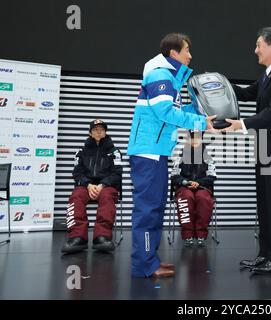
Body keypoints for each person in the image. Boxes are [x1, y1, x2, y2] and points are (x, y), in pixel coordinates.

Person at [127, 33, 216, 278]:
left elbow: (174, 109)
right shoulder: (159, 75)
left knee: (154, 208)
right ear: (174, 53)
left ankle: (149, 261)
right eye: (187, 50)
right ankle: (143, 264)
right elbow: (165, 112)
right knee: (148, 210)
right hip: (148, 153)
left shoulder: (168, 79)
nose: (190, 55)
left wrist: (200, 109)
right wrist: (199, 122)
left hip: (155, 153)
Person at [223, 27, 271, 274]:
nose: (255, 50)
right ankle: (264, 253)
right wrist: (219, 82)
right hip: (266, 149)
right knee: (264, 206)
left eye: (259, 45)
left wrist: (241, 124)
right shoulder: (267, 75)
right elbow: (245, 94)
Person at [61, 119, 123, 254]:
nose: (99, 132)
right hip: (86, 185)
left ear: (106, 132)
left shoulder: (115, 151)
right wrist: (88, 185)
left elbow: (117, 173)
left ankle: (102, 237)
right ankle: (77, 237)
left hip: (106, 186)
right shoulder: (80, 151)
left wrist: (102, 185)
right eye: (95, 129)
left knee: (107, 197)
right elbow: (76, 172)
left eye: (102, 129)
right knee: (75, 197)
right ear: (90, 133)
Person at [170, 130, 217, 247]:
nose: (195, 140)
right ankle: (188, 235)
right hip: (184, 187)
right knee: (186, 197)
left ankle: (201, 234)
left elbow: (212, 176)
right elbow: (174, 176)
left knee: (203, 198)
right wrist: (186, 182)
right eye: (192, 138)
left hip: (202, 187)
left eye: (197, 138)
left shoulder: (208, 157)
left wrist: (198, 183)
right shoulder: (180, 156)